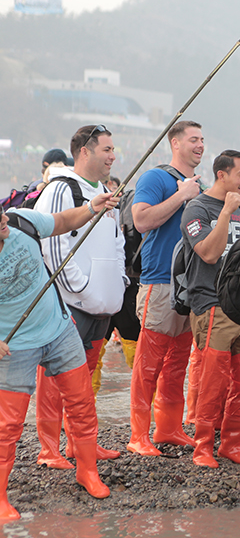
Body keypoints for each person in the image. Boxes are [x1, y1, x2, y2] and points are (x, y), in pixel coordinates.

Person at [0, 193, 119, 522]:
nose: (5, 222)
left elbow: (64, 221)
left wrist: (92, 208)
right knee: (7, 425)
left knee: (82, 402)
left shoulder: (20, 221)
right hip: (13, 346)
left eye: (2, 215)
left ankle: (87, 471)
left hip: (59, 329)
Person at [33, 124, 125, 465]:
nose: (113, 156)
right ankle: (48, 448)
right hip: (71, 302)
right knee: (55, 376)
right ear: (84, 151)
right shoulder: (62, 188)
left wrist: (116, 283)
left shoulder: (106, 192)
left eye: (113, 150)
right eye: (106, 149)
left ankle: (80, 441)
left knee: (84, 376)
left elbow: (117, 243)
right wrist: (80, 287)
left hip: (103, 302)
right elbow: (51, 242)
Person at [128, 120, 203, 455]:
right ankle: (138, 435)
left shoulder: (200, 185)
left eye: (202, 140)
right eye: (193, 139)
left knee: (178, 362)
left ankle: (169, 428)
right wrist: (181, 195)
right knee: (149, 363)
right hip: (159, 281)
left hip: (190, 284)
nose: (200, 145)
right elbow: (142, 219)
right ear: (175, 143)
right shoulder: (155, 177)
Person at [181, 150, 240, 468]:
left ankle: (233, 442)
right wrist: (226, 212)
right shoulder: (197, 208)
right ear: (222, 175)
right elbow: (209, 254)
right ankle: (202, 446)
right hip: (211, 302)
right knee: (213, 380)